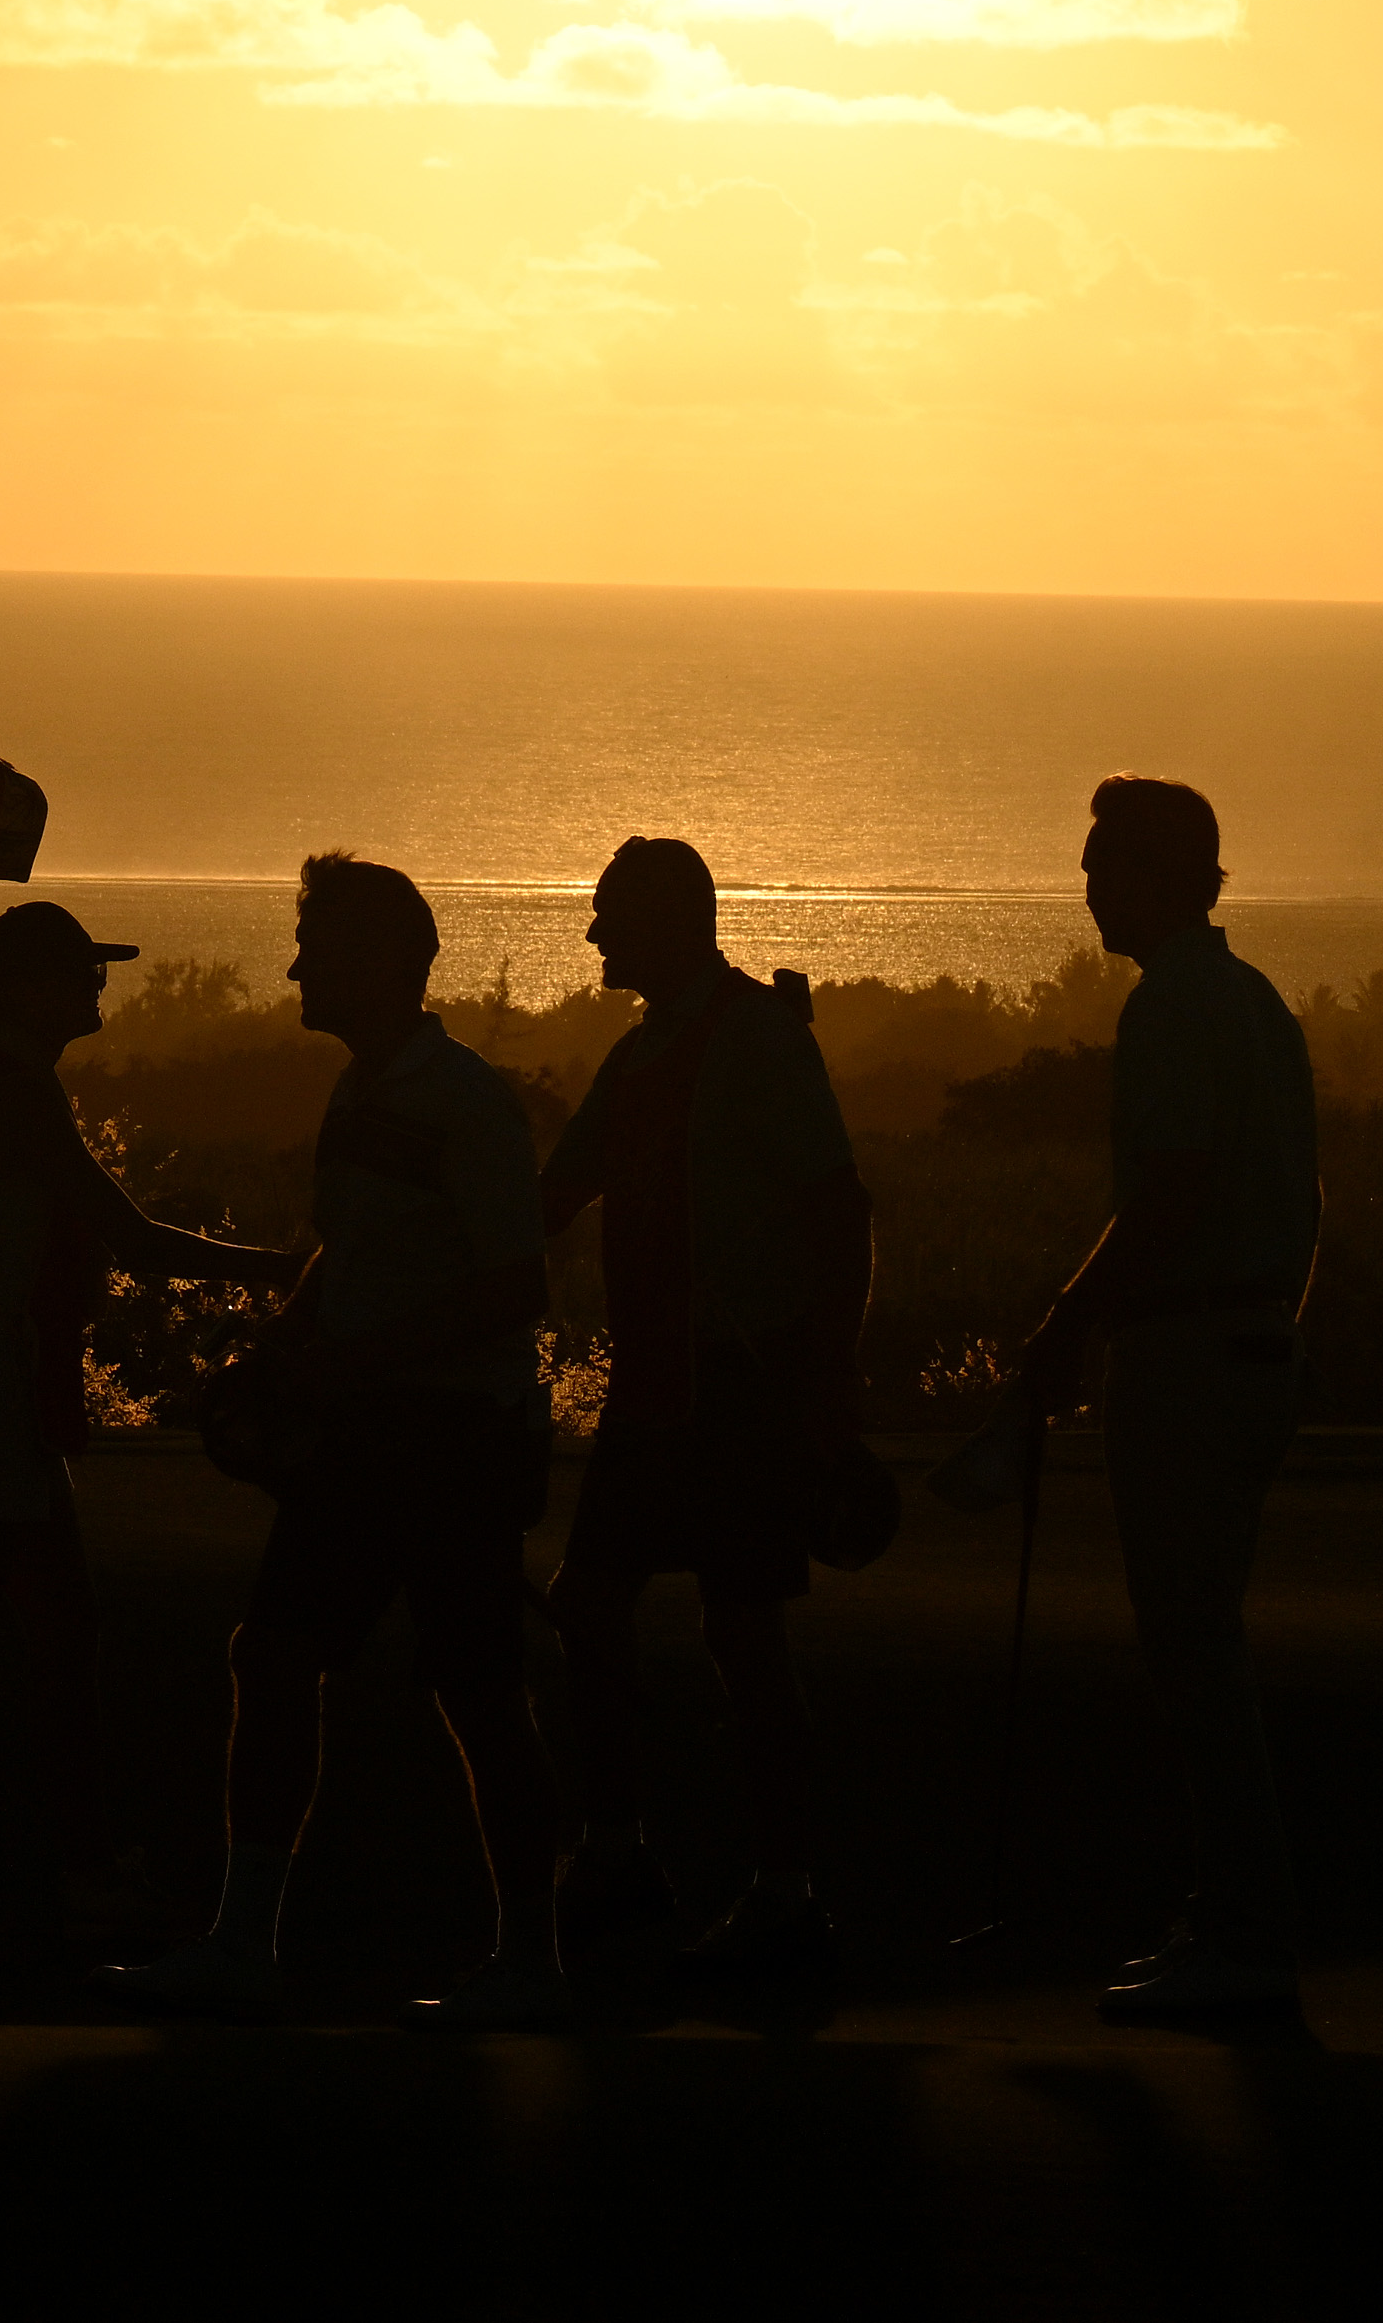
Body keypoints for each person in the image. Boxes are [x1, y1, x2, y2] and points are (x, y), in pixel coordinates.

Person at [111, 852, 571, 2031]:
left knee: (478, 1693)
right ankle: (245, 1941)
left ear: (383, 961)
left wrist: (358, 1358)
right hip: (371, 1437)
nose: (296, 968)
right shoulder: (362, 1092)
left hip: (453, 1439)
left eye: (315, 950)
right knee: (273, 1659)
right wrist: (290, 1345)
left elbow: (519, 1281)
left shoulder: (464, 1101)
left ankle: (530, 1962)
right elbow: (348, 1252)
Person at [0, 899, 301, 1950]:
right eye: (81, 974)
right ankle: (4, 1869)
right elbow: (132, 1236)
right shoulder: (16, 1094)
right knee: (6, 1646)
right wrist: (283, 1272)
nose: (98, 988)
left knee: (5, 1644)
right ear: (30, 989)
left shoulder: (7, 1083)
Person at [1006, 773, 1322, 2036]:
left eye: (1104, 863)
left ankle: (1248, 1939)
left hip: (1194, 1355)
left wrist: (1066, 1322)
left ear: (1163, 875)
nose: (1087, 885)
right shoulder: (1247, 999)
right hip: (1241, 1345)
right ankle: (1229, 1920)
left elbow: (1174, 1191)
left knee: (1195, 1655)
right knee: (1200, 1648)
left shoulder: (1178, 1005)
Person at [536, 835, 872, 1984]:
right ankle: (626, 1849)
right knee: (594, 1606)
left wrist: (828, 1386)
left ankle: (780, 1889)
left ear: (671, 923)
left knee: (738, 1629)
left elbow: (840, 1212)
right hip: (656, 1383)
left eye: (610, 919)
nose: (592, 938)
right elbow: (554, 1193)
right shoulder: (643, 1052)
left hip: (739, 1384)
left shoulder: (758, 1039)